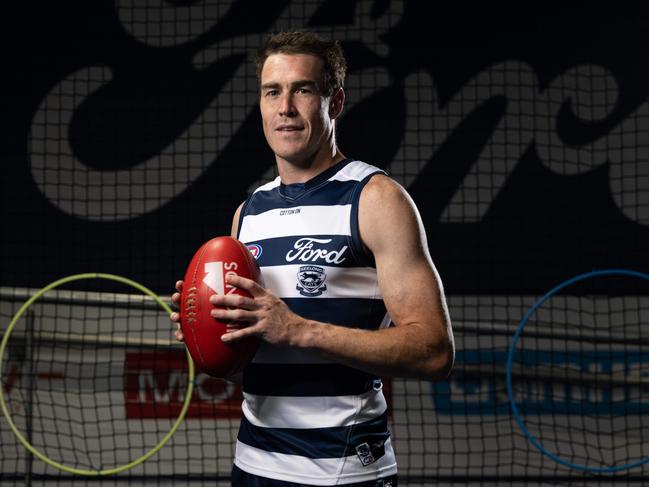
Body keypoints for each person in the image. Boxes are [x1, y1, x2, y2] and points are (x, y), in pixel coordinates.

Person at [171, 31, 454, 487]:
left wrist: (300, 330)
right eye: (271, 92)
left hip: (341, 471)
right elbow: (248, 361)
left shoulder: (376, 199)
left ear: (334, 102)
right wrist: (207, 323)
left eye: (302, 89)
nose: (284, 107)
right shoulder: (249, 212)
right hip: (254, 465)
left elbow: (435, 351)